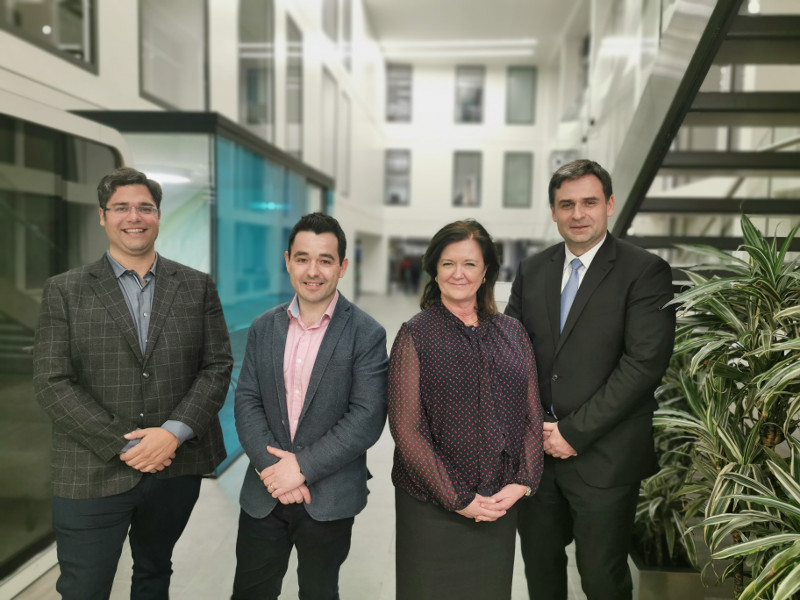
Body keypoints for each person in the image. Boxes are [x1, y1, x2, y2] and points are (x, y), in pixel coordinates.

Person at [33, 166, 233, 599]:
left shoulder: (196, 287)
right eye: (121, 207)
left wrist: (171, 434)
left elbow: (217, 366)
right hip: (90, 468)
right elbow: (52, 382)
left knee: (154, 573)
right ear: (102, 216)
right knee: (83, 588)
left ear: (159, 216)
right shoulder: (64, 291)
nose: (134, 217)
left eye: (145, 207)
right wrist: (128, 444)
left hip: (174, 467)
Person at [506, 159, 676, 599]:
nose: (578, 214)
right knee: (541, 575)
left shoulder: (645, 271)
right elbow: (511, 351)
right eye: (566, 204)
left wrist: (573, 432)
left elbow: (643, 365)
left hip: (605, 457)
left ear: (610, 205)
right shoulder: (533, 269)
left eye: (589, 202)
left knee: (602, 579)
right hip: (537, 458)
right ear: (553, 211)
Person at [231, 212, 388, 600]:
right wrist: (275, 472)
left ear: (342, 266)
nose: (312, 271)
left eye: (325, 260)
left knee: (319, 592)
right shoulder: (263, 327)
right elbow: (247, 398)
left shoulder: (366, 333)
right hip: (263, 493)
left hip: (329, 494)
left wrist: (299, 469)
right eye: (302, 258)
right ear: (288, 262)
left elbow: (366, 417)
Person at [389, 219, 544, 600]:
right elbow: (406, 429)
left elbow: (532, 414)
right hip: (431, 508)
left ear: (486, 270)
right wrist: (458, 499)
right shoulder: (415, 334)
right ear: (435, 270)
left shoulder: (512, 331)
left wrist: (523, 482)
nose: (459, 273)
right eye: (448, 263)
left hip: (498, 505)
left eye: (470, 264)